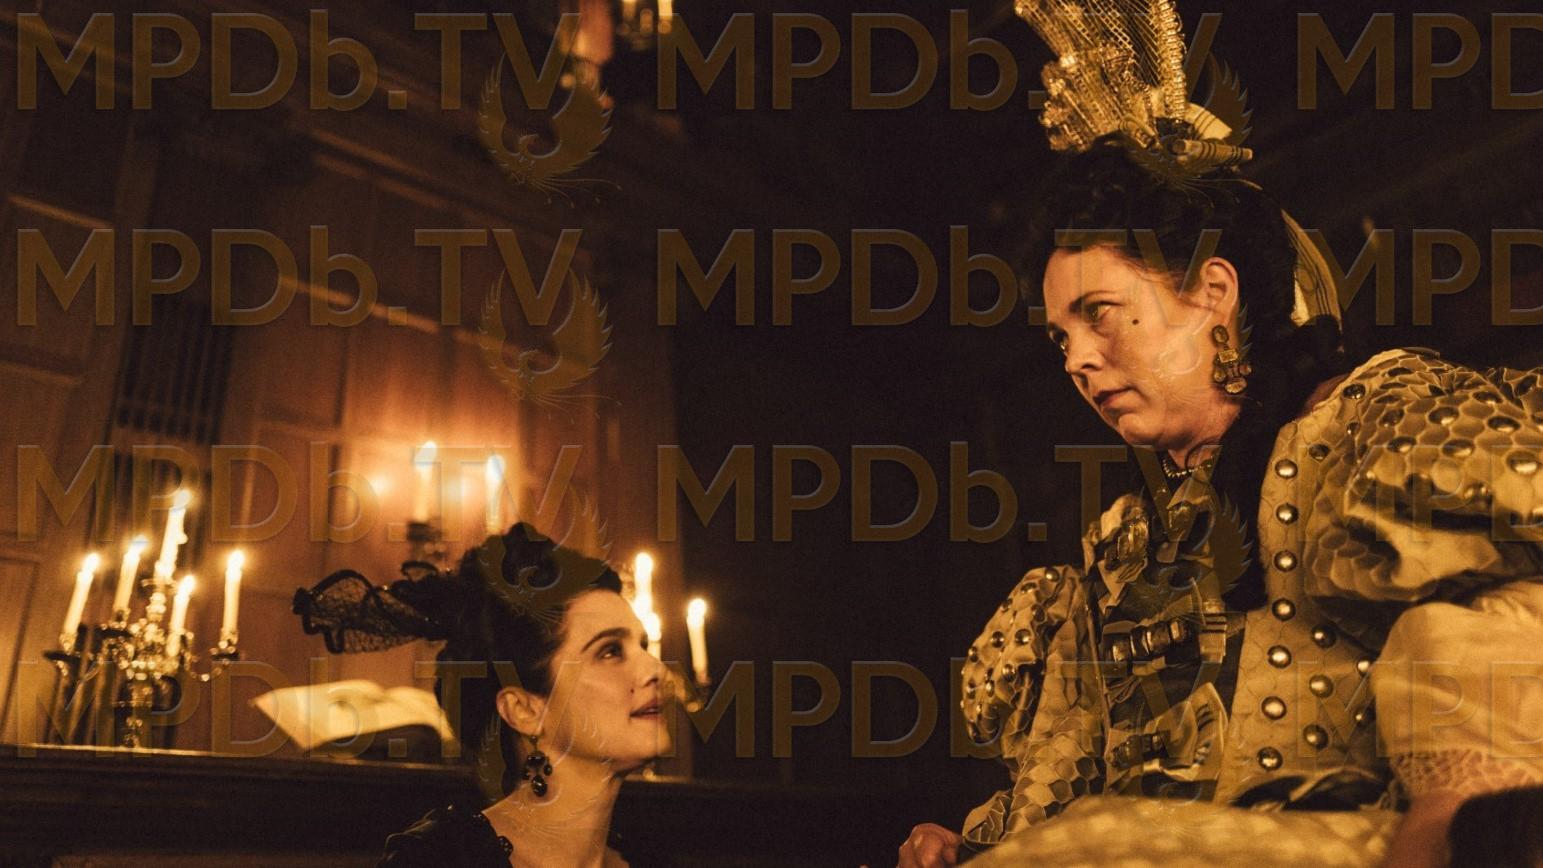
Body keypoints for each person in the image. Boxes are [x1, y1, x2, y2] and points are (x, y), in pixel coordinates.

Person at [897, 134, 1543, 867]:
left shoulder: (1366, 426)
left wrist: (1452, 808)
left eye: (1098, 313)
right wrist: (977, 849)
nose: (1077, 359)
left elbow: (1506, 616)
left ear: (1213, 292)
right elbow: (1071, 775)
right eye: (1060, 338)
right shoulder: (1121, 544)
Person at [293, 522, 671, 867]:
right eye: (610, 651)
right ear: (524, 710)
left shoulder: (648, 858)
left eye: (642, 646)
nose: (657, 670)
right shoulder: (440, 861)